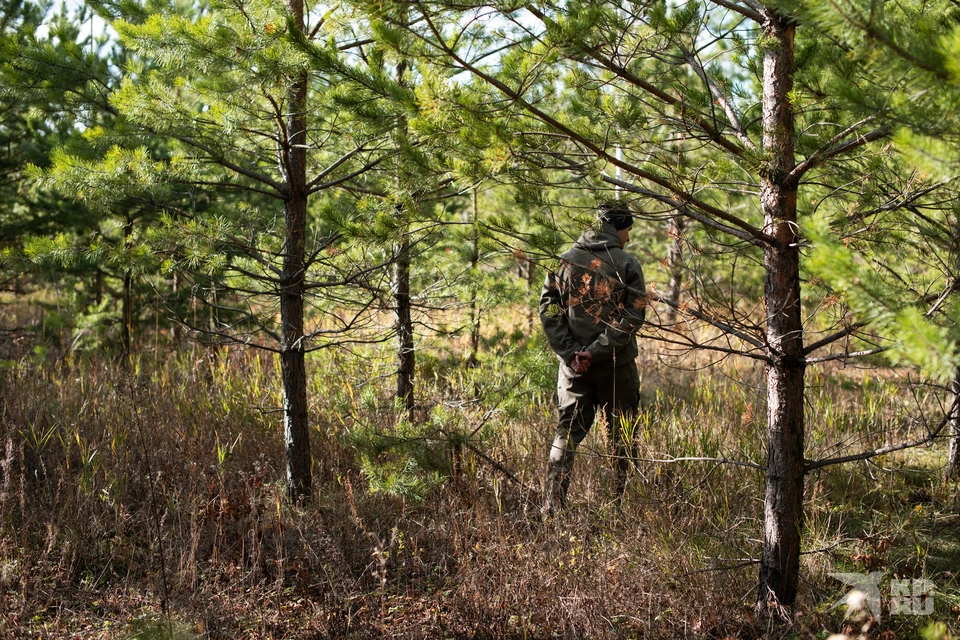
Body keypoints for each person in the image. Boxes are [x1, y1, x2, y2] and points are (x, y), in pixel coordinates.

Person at [539, 201, 647, 517]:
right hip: (618, 367)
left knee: (566, 435)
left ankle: (552, 507)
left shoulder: (563, 262)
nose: (629, 236)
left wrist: (573, 354)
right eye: (628, 228)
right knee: (623, 438)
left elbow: (549, 312)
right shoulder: (627, 264)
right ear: (617, 227)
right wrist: (595, 350)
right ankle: (619, 508)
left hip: (574, 371)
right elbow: (633, 315)